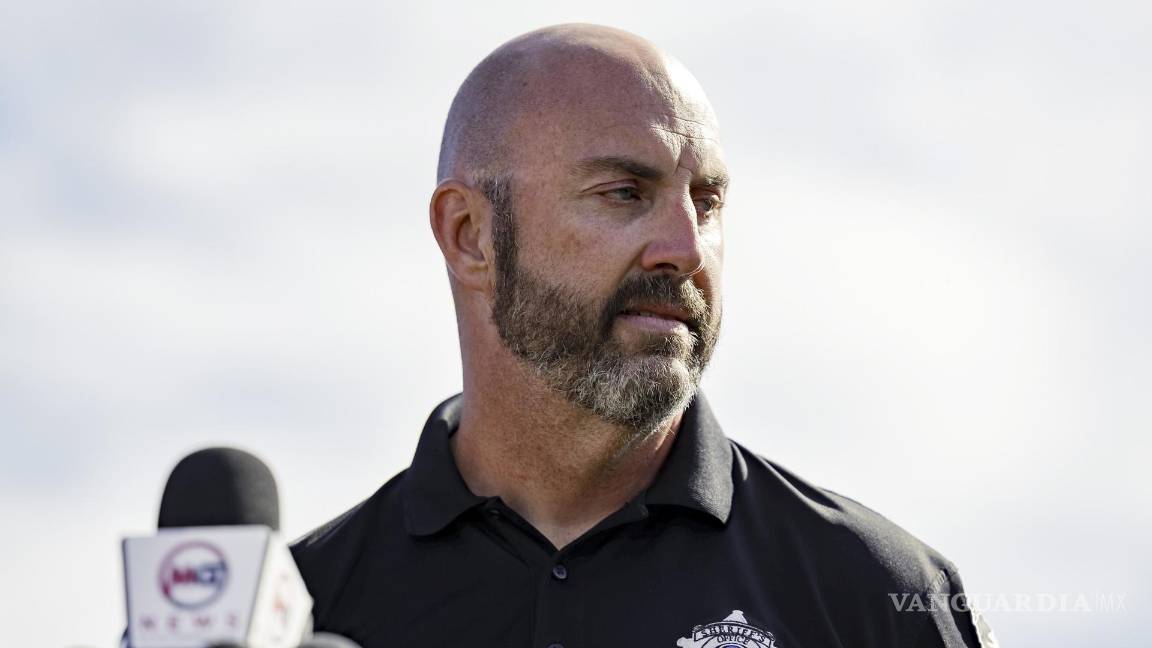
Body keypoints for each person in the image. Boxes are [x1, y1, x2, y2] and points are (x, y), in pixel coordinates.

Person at [291, 24, 995, 647]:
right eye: (625, 193)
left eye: (708, 201)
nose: (686, 249)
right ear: (470, 236)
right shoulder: (301, 613)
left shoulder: (878, 598)